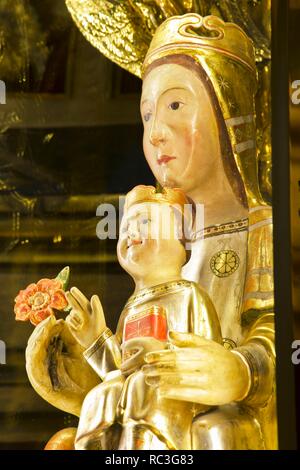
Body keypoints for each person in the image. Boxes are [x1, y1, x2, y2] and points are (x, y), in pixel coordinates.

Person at [69, 185, 222, 450]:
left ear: (181, 239)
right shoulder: (132, 307)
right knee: (101, 394)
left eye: (146, 222)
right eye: (126, 227)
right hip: (134, 392)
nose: (132, 233)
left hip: (172, 392)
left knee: (142, 384)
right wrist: (94, 339)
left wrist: (161, 356)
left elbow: (208, 358)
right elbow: (118, 369)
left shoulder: (189, 296)